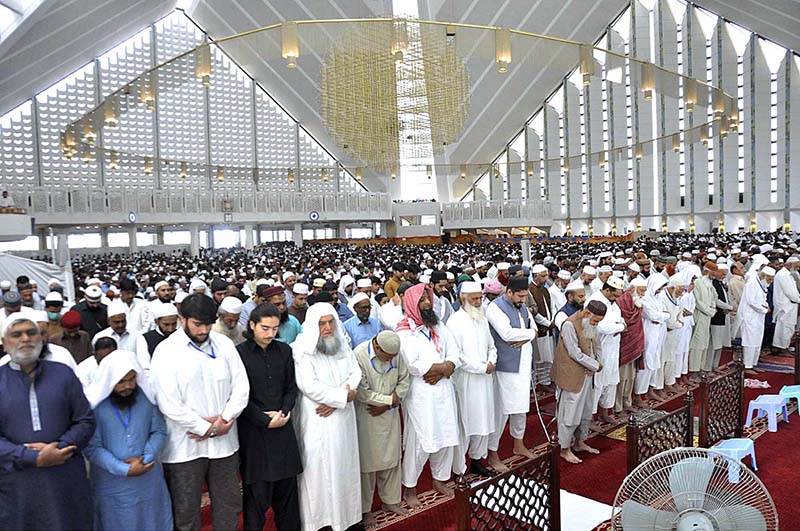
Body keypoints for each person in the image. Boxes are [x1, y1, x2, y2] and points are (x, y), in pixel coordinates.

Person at [150, 293, 250, 531]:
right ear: (182, 319)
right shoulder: (166, 351)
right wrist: (206, 428)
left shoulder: (224, 344)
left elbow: (241, 386)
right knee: (186, 510)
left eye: (208, 323)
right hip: (185, 447)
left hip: (225, 443)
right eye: (198, 324)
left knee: (229, 504)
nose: (204, 330)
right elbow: (169, 403)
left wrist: (224, 420)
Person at [0, 313, 95, 530]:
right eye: (17, 334)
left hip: (65, 475)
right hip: (17, 483)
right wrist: (32, 457)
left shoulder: (63, 374)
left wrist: (59, 449)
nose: (26, 339)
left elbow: (85, 420)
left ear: (42, 339)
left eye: (31, 333)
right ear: (4, 344)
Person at [292, 303, 362, 531]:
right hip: (317, 420)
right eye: (322, 323)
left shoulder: (341, 344)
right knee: (319, 474)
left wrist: (344, 396)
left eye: (331, 322)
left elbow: (356, 371)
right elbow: (308, 385)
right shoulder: (302, 350)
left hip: (343, 418)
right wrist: (341, 397)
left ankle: (348, 519)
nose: (328, 327)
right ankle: (321, 523)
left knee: (345, 467)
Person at [84, 350, 172, 531]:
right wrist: (124, 469)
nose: (128, 386)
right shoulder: (95, 406)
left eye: (132, 379)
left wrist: (145, 459)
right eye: (121, 381)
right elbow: (92, 448)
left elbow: (159, 431)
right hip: (112, 484)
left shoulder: (146, 399)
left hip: (148, 480)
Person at [237, 303, 303, 531]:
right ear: (252, 325)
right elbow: (239, 396)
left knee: (288, 500)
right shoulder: (239, 354)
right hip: (254, 436)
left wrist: (284, 412)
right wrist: (265, 420)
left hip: (283, 431)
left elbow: (291, 388)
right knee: (256, 501)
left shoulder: (284, 351)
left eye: (275, 329)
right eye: (265, 328)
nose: (270, 334)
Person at [396, 283, 462, 505]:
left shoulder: (439, 326)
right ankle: (410, 488)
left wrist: (447, 367)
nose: (426, 303)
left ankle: (440, 479)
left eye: (428, 299)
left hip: (443, 387)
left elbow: (455, 352)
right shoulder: (404, 332)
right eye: (421, 300)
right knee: (420, 442)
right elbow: (412, 364)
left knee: (446, 436)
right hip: (421, 393)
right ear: (411, 304)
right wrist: (441, 368)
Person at [353, 331, 410, 527]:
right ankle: (365, 510)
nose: (391, 360)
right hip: (367, 415)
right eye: (388, 357)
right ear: (377, 348)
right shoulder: (359, 355)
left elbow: (405, 379)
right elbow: (361, 391)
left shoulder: (396, 353)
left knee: (392, 458)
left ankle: (391, 501)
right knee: (367, 464)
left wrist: (389, 403)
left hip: (390, 413)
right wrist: (387, 400)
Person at [486, 276, 537, 472]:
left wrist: (527, 336)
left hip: (523, 366)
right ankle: (493, 454)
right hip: (506, 368)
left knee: (520, 408)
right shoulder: (495, 308)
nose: (523, 300)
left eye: (525, 296)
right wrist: (529, 335)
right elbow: (506, 334)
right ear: (509, 292)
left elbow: (533, 329)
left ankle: (519, 444)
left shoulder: (521, 306)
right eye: (520, 296)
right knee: (502, 411)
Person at [446, 281, 497, 478]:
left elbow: (491, 345)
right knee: (465, 425)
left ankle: (477, 461)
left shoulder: (482, 318)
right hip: (466, 381)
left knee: (483, 422)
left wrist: (491, 361)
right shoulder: (454, 322)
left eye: (480, 298)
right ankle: (459, 470)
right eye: (474, 298)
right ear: (462, 298)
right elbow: (456, 356)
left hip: (485, 380)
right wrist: (482, 367)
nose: (478, 302)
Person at [552, 300, 606, 463]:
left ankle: (579, 442)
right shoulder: (569, 325)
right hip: (571, 375)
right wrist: (595, 365)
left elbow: (597, 346)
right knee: (570, 413)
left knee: (585, 411)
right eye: (595, 321)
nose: (596, 324)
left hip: (588, 374)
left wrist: (599, 363)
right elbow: (574, 352)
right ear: (587, 313)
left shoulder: (592, 324)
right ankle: (564, 448)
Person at [586, 276, 626, 425]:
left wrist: (618, 325)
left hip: (613, 348)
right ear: (607, 289)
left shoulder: (613, 303)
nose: (617, 298)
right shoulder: (595, 301)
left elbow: (621, 319)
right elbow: (600, 327)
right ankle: (589, 418)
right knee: (597, 384)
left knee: (611, 381)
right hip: (599, 348)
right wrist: (620, 327)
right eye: (615, 295)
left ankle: (605, 413)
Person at [634, 275, 670, 402]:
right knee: (646, 362)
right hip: (648, 332)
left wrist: (662, 316)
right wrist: (663, 316)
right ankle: (639, 394)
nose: (660, 290)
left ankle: (650, 389)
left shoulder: (658, 297)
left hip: (659, 332)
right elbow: (652, 315)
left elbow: (665, 313)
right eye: (659, 287)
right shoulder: (645, 298)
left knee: (655, 361)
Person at [733, 267, 774, 371]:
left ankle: (753, 364)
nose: (770, 281)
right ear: (764, 276)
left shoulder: (761, 284)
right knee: (750, 342)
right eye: (769, 279)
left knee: (757, 341)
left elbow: (763, 298)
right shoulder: (751, 284)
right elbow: (751, 301)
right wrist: (764, 310)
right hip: (749, 317)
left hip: (758, 317)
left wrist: (766, 306)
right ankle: (747, 366)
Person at [614, 276, 645, 413]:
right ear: (633, 289)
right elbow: (625, 322)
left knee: (631, 377)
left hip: (634, 344)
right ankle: (618, 406)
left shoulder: (636, 301)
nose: (643, 294)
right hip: (624, 344)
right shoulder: (623, 300)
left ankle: (628, 402)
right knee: (621, 378)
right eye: (642, 290)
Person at [93, 299, 151, 372]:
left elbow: (144, 362)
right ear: (109, 321)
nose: (121, 325)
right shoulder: (99, 337)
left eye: (123, 321)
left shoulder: (136, 336)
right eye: (116, 322)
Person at [688, 262, 718, 377]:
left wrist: (713, 309)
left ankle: (701, 368)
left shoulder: (709, 283)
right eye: (713, 272)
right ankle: (694, 371)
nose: (715, 275)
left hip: (707, 317)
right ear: (707, 271)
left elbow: (713, 299)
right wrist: (709, 311)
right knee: (697, 344)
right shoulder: (698, 282)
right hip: (700, 317)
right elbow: (698, 302)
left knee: (705, 343)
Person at [529, 264, 556, 388]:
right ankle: (541, 382)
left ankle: (547, 380)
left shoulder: (545, 289)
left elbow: (549, 307)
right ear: (535, 276)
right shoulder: (530, 290)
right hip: (540, 329)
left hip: (549, 328)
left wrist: (552, 321)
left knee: (549, 356)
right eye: (543, 276)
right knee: (541, 358)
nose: (546, 279)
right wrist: (547, 323)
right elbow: (534, 313)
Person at [706, 264, 733, 372]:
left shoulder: (720, 283)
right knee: (713, 344)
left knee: (719, 344)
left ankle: (715, 366)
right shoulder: (712, 283)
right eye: (722, 273)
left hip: (723, 316)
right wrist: (729, 307)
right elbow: (716, 301)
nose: (723, 276)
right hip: (715, 317)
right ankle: (708, 368)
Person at [771, 257, 800, 355]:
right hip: (785, 306)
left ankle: (785, 346)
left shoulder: (789, 274)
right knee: (784, 327)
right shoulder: (783, 275)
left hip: (790, 305)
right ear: (789, 264)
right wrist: (798, 299)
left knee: (788, 327)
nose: (797, 268)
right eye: (796, 266)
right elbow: (790, 292)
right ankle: (782, 348)